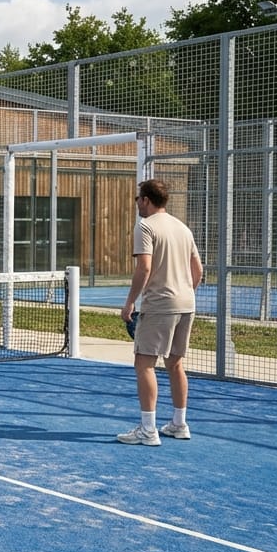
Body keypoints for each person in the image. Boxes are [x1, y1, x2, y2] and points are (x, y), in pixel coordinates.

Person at [117, 178, 203, 446]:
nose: (137, 205)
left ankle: (148, 429)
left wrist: (130, 302)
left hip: (159, 305)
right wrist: (184, 293)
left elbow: (143, 268)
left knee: (144, 363)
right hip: (186, 303)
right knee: (175, 363)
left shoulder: (145, 226)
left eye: (138, 199)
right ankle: (179, 424)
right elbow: (198, 271)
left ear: (146, 200)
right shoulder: (183, 228)